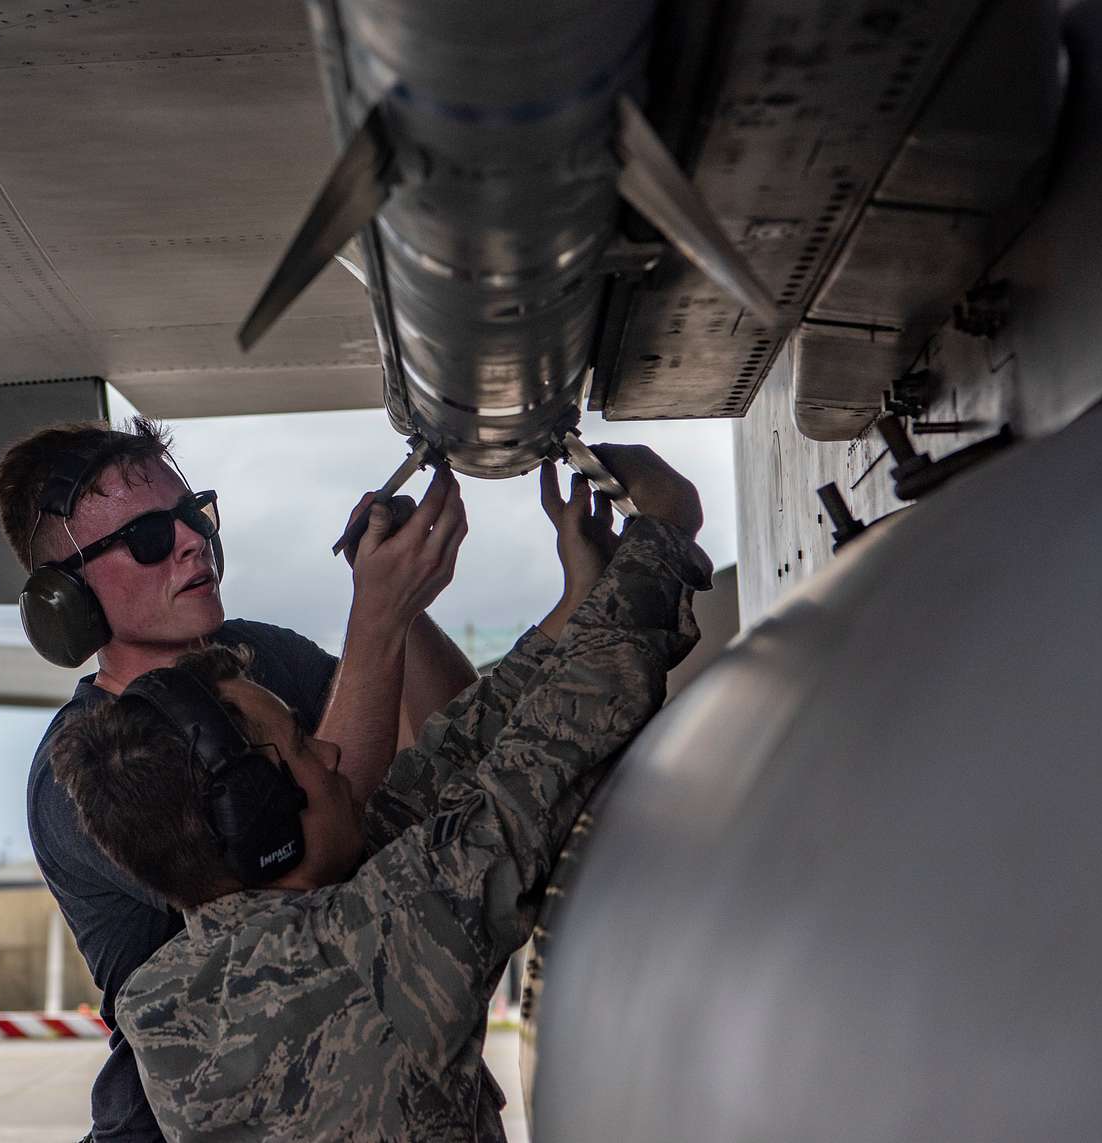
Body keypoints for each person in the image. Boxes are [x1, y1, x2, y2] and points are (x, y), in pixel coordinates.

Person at [49, 445, 714, 1141]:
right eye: (304, 748)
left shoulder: (164, 1001)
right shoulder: (375, 946)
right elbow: (559, 740)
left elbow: (449, 757)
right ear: (258, 817)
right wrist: (667, 527)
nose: (333, 751)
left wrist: (579, 598)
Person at [0, 417, 478, 1143]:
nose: (192, 542)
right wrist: (373, 623)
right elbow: (293, 855)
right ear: (68, 600)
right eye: (150, 538)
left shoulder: (259, 656)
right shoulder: (84, 766)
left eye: (193, 515)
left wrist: (404, 615)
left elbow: (446, 746)